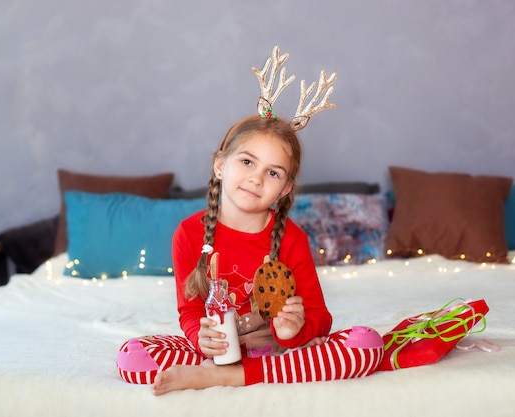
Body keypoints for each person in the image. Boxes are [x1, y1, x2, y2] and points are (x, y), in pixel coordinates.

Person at [116, 46, 383, 395]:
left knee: (365, 345)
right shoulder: (188, 234)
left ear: (285, 189)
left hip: (276, 349)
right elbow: (190, 312)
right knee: (133, 358)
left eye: (272, 172)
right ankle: (231, 368)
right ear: (220, 165)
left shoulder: (291, 239)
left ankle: (224, 377)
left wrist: (294, 330)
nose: (256, 178)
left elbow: (320, 316)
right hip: (223, 351)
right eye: (246, 162)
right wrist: (202, 338)